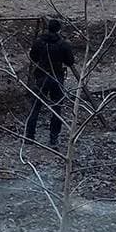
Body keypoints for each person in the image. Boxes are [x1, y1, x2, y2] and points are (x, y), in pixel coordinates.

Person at [26, 17, 76, 145]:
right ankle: (53, 138)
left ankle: (29, 136)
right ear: (59, 30)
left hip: (41, 75)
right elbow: (70, 61)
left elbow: (33, 57)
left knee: (35, 107)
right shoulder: (63, 44)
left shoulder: (39, 42)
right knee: (57, 108)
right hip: (56, 77)